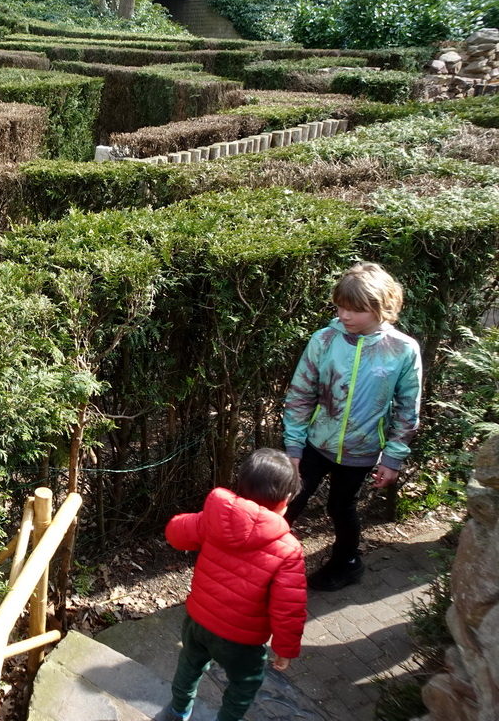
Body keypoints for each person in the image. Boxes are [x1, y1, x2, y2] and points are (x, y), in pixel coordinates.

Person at [283, 262, 423, 591]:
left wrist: (392, 458)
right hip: (315, 443)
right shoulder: (325, 340)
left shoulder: (403, 350)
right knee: (289, 501)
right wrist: (293, 446)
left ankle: (346, 562)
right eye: (340, 306)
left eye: (355, 310)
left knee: (341, 507)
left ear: (381, 307)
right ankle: (258, 561)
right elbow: (301, 393)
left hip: (362, 449)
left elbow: (407, 407)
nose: (344, 315)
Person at [163, 449, 306, 721]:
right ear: (285, 500)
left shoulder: (215, 520)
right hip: (243, 640)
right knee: (243, 685)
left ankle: (178, 710)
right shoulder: (288, 550)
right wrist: (285, 649)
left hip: (199, 621)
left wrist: (196, 521)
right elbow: (288, 609)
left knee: (189, 665)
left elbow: (175, 534)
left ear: (240, 487)